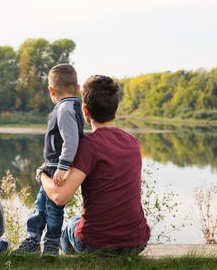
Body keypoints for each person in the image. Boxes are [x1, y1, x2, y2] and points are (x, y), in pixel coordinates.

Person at [38, 75, 150, 255]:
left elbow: (59, 196)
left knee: (69, 228)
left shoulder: (89, 146)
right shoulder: (133, 142)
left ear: (85, 111)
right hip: (136, 242)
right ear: (115, 108)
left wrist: (42, 174)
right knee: (78, 220)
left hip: (95, 244)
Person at [15, 64, 84, 255]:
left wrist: (62, 167)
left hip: (57, 170)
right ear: (77, 88)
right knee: (40, 207)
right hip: (52, 167)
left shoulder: (64, 109)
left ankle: (52, 243)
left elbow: (71, 142)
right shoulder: (72, 107)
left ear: (51, 90)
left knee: (53, 209)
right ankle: (33, 239)